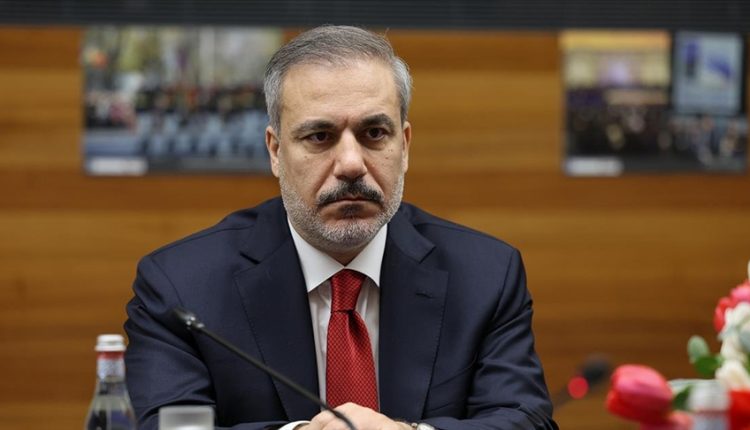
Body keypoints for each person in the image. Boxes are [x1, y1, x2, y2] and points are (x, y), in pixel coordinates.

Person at [124, 25, 557, 430]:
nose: (351, 164)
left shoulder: (485, 276)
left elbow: (526, 419)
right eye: (320, 136)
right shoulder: (181, 288)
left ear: (404, 145)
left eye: (374, 133)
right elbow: (168, 424)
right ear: (275, 151)